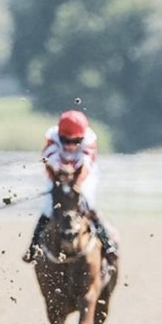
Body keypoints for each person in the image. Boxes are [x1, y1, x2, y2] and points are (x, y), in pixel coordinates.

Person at [22, 109, 118, 263]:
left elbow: (85, 164)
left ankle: (108, 245)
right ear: (59, 135)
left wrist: (75, 181)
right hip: (57, 176)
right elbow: (48, 159)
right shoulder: (51, 136)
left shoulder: (90, 139)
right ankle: (33, 246)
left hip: (83, 177)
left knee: (87, 204)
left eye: (76, 141)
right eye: (65, 140)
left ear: (82, 137)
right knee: (47, 207)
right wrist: (60, 175)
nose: (70, 145)